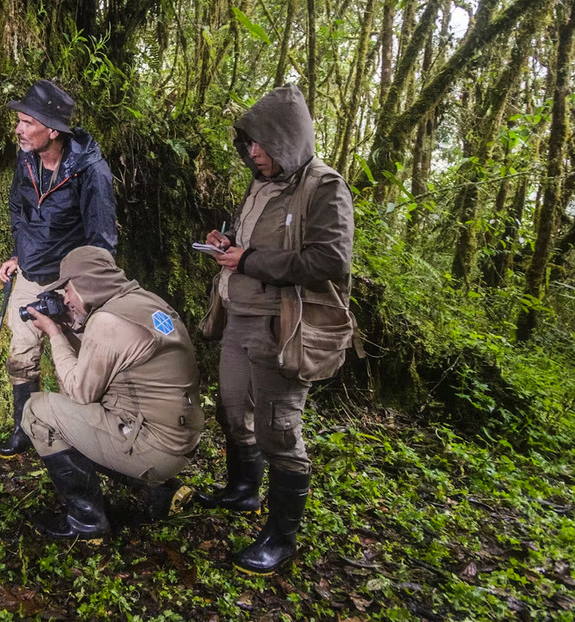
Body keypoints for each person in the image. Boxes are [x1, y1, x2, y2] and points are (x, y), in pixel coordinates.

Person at [197, 85, 356, 575]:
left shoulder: (324, 187)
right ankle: (243, 490)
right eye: (248, 144)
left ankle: (281, 538)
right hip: (239, 318)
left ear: (288, 140)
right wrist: (227, 243)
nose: (253, 152)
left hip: (283, 327)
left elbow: (330, 260)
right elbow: (250, 245)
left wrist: (249, 259)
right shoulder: (260, 184)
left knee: (277, 428)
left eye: (261, 144)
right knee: (232, 410)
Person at [20, 246, 204, 540]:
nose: (65, 298)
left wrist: (55, 334)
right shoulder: (144, 301)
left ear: (84, 283)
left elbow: (80, 392)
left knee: (38, 412)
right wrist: (73, 329)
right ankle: (158, 489)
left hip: (156, 448)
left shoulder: (108, 322)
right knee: (80, 418)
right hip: (180, 437)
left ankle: (86, 521)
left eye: (67, 289)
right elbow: (114, 360)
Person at [0, 80, 118, 458]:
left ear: (53, 130)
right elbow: (19, 209)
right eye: (18, 121)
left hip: (71, 279)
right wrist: (20, 253)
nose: (18, 130)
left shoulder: (90, 172)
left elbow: (102, 241)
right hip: (31, 273)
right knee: (21, 353)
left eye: (26, 122)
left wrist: (81, 291)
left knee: (79, 362)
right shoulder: (27, 157)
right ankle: (24, 430)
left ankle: (84, 437)